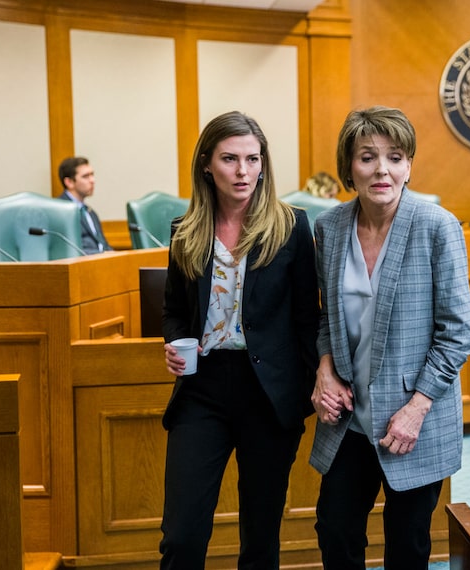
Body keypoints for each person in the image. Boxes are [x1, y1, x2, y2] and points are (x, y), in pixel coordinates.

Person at [308, 106, 470, 569]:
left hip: (414, 419)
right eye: (367, 157)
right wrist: (324, 369)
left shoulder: (436, 226)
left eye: (395, 157)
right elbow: (326, 320)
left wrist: (417, 408)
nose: (382, 169)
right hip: (350, 419)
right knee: (335, 531)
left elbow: (458, 334)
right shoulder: (330, 227)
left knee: (408, 544)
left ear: (409, 166)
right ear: (349, 168)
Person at [159, 111, 320, 569]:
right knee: (182, 537)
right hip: (202, 388)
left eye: (253, 158)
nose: (243, 171)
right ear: (207, 164)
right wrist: (174, 343)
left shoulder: (291, 226)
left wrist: (312, 384)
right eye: (230, 159)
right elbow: (173, 310)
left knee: (260, 537)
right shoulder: (184, 231)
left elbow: (308, 318)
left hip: (269, 394)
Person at [57, 156, 112, 254]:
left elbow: (104, 245)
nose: (92, 180)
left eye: (92, 175)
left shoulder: (90, 212)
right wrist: (103, 255)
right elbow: (72, 249)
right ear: (69, 182)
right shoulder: (59, 211)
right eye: (86, 176)